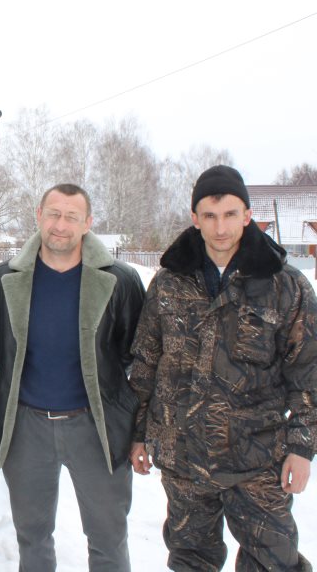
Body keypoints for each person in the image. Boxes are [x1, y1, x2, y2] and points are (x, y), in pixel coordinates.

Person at [129, 165, 317, 571]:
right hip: (182, 456)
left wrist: (302, 448)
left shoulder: (285, 285)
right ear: (195, 218)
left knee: (275, 562)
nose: (220, 228)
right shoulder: (168, 282)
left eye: (231, 214)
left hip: (257, 455)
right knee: (190, 559)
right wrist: (138, 434)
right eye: (210, 216)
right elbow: (146, 363)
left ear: (247, 215)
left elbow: (307, 374)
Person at [0, 183, 145, 572]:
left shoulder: (120, 281)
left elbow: (139, 357)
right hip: (27, 427)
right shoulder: (3, 278)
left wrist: (138, 428)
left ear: (88, 223)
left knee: (108, 540)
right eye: (53, 214)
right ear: (38, 215)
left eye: (72, 216)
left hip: (97, 426)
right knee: (32, 539)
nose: (60, 225)